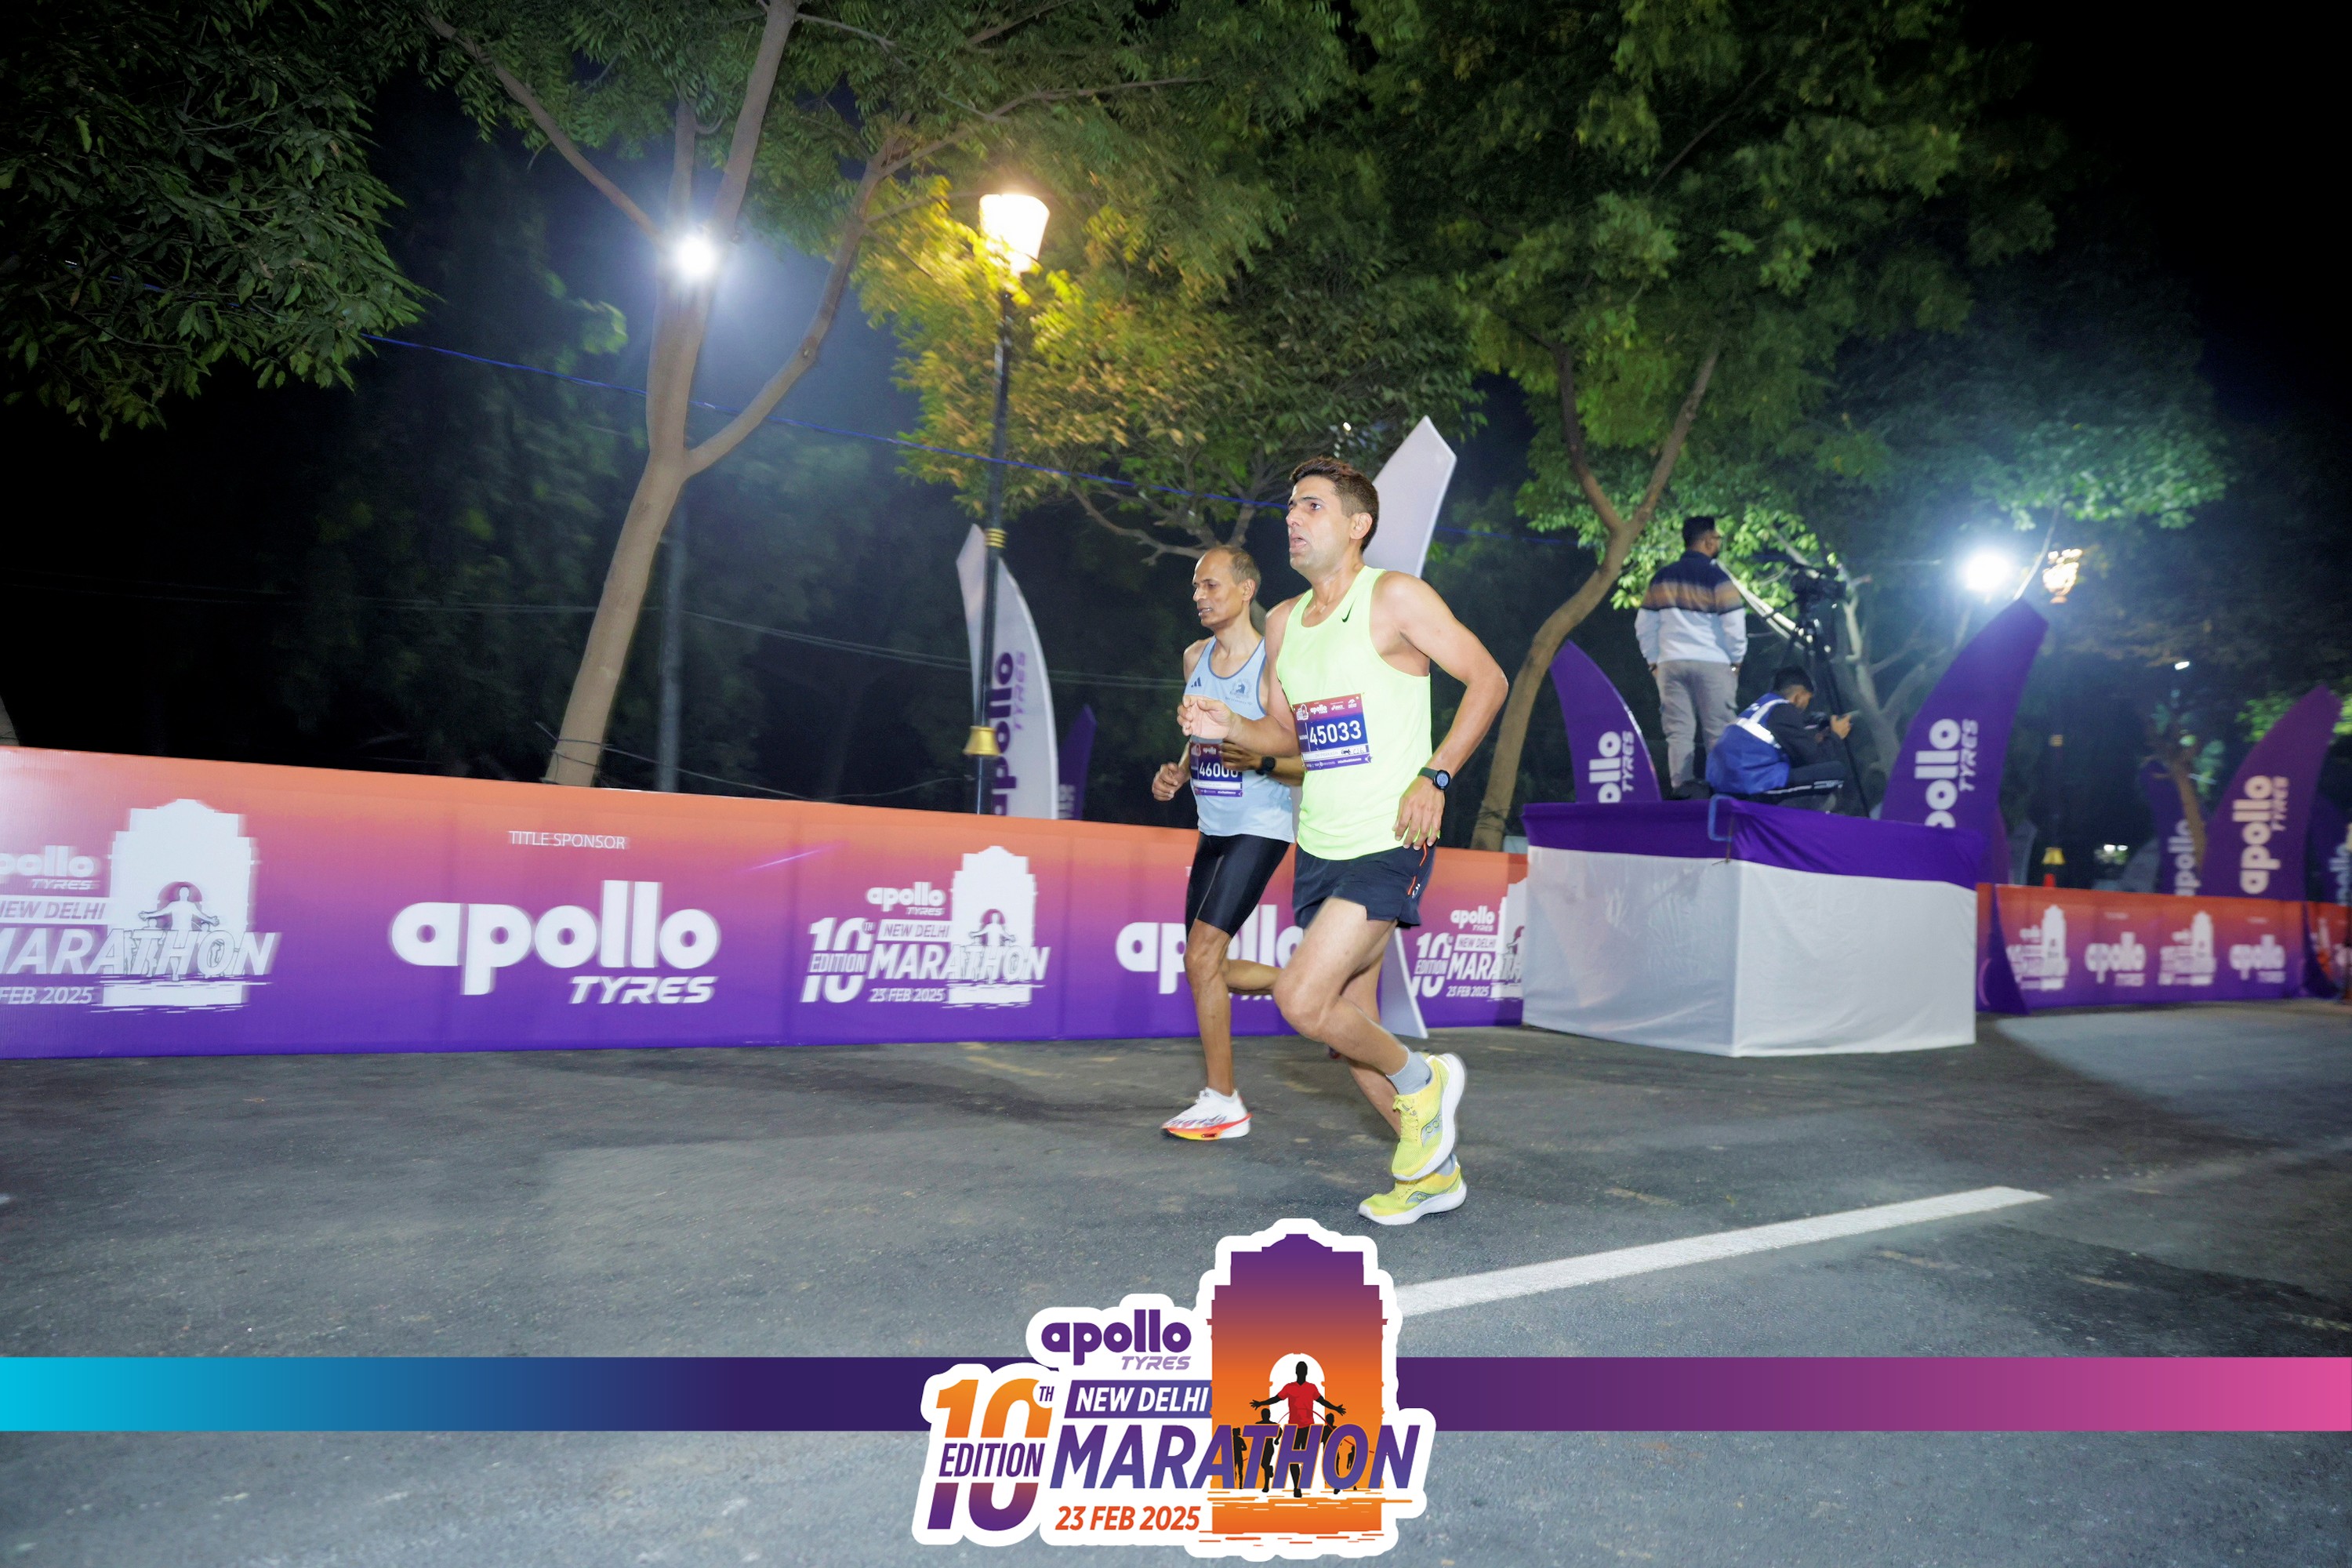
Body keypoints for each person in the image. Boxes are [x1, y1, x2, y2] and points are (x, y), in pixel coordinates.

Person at [1178, 456, 1508, 1227]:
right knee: (1353, 1034)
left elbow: (1488, 679)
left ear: (1358, 525)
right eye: (1291, 507)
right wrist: (1228, 724)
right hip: (1320, 846)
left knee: (1302, 997)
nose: (1293, 519)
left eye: (1313, 506)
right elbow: (1285, 736)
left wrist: (1436, 775)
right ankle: (1431, 1172)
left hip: (1392, 835)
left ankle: (1424, 1079)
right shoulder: (1284, 624)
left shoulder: (1394, 597)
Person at [1152, 545, 1305, 1142]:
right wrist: (1179, 772)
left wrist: (1257, 756)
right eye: (1196, 587)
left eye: (1211, 585)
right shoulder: (1194, 657)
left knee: (1201, 957)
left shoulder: (1272, 664)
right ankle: (1316, 990)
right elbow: (1201, 738)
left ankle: (1224, 1102)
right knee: (1205, 965)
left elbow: (1299, 755)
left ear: (1246, 590)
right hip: (1212, 829)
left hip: (1260, 826)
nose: (1200, 596)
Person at [1635, 514, 1747, 797]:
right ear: (1708, 541)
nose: (1718, 543)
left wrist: (1654, 662)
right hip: (1713, 663)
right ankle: (1723, 792)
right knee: (1719, 731)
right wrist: (1736, 660)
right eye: (1717, 538)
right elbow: (1734, 625)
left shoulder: (1662, 577)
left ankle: (1681, 791)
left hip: (1670, 664)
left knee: (1678, 732)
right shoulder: (1718, 578)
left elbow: (1644, 625)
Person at [1705, 665, 1857, 803]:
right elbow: (1818, 761)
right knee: (1835, 771)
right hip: (1750, 786)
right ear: (1799, 695)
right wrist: (1836, 736)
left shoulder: (1763, 706)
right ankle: (1794, 822)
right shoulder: (1784, 710)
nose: (1806, 706)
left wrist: (1818, 741)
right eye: (1808, 699)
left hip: (1725, 784)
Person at [1249, 1359, 1345, 1497]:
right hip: (1293, 1429)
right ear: (1297, 1372)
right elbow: (1276, 1398)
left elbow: (1322, 1401)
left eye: (1303, 1370)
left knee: (1309, 1459)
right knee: (1292, 1459)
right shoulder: (1289, 1387)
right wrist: (1261, 1403)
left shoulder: (1311, 1388)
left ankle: (1334, 1482)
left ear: (1306, 1372)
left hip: (1309, 1428)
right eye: (1300, 1370)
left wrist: (1335, 1408)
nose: (1301, 1372)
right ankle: (1297, 1487)